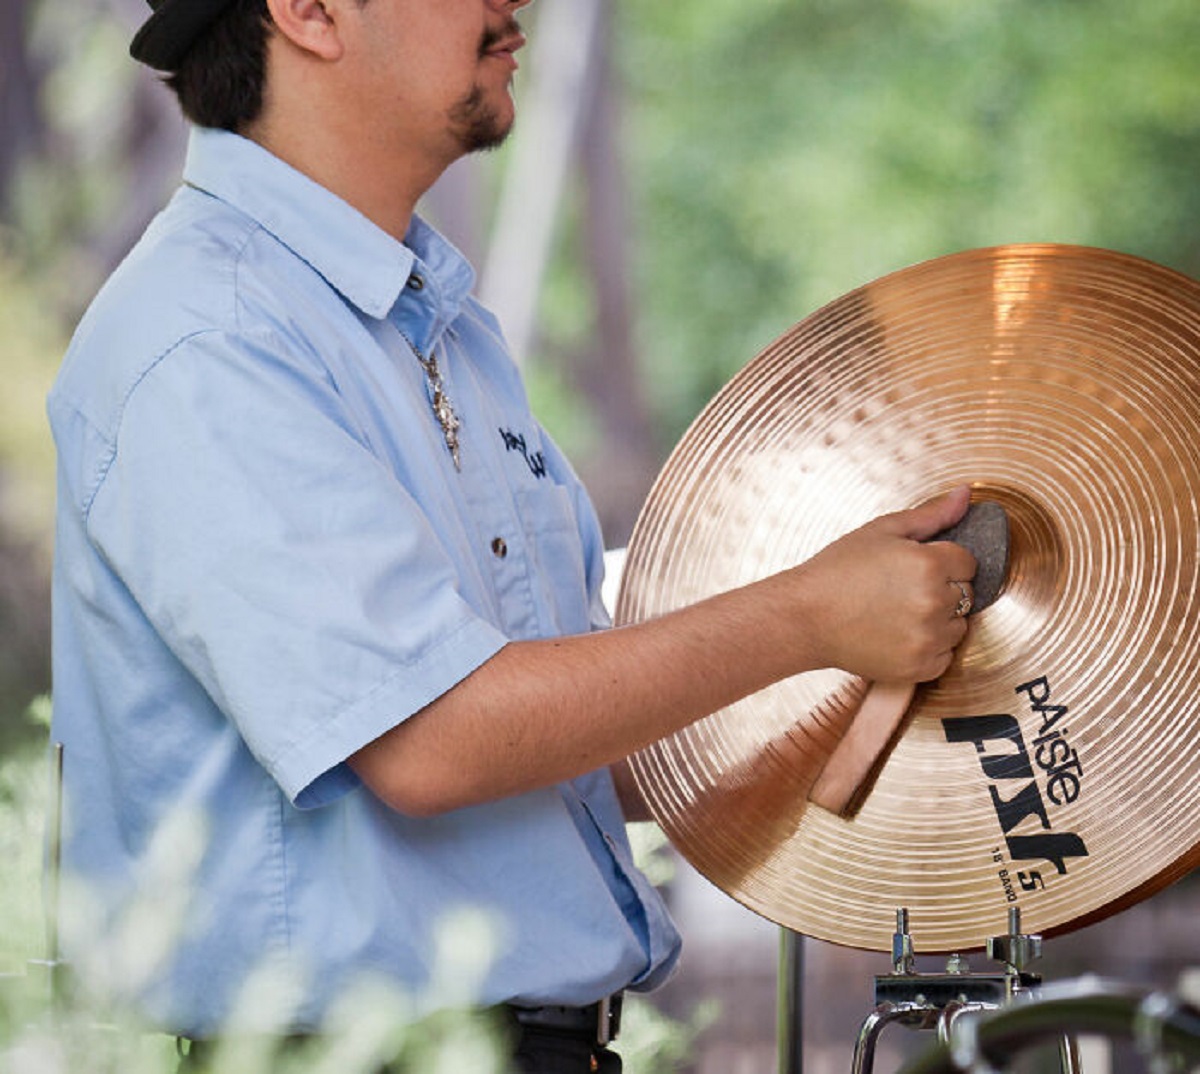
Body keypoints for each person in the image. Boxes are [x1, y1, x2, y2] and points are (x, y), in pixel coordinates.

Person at [46, 0, 978, 1070]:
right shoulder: (209, 335)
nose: (517, 3)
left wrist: (865, 670)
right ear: (306, 12)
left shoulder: (430, 322)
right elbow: (434, 741)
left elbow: (564, 748)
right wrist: (808, 617)